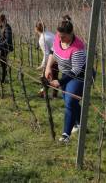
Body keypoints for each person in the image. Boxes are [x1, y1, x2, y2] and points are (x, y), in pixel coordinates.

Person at [45, 15, 86, 143]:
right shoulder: (58, 38)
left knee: (69, 102)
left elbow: (75, 71)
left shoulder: (77, 47)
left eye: (63, 37)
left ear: (71, 33)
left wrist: (60, 82)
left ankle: (65, 135)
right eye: (59, 36)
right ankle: (80, 124)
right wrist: (48, 68)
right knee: (71, 101)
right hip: (66, 73)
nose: (60, 39)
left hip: (78, 76)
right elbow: (53, 52)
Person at [35, 21, 57, 98]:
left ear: (36, 29)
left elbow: (46, 53)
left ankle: (43, 93)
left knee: (46, 76)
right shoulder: (50, 33)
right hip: (58, 56)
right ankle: (54, 95)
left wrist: (43, 65)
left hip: (53, 58)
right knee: (54, 76)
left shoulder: (42, 39)